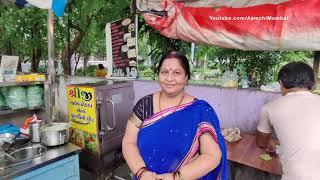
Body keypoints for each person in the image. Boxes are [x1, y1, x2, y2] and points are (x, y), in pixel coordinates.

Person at [122, 51, 228, 180]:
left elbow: (212, 155)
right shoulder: (144, 105)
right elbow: (129, 142)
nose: (169, 78)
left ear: (186, 77)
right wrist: (142, 173)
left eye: (176, 73)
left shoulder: (199, 112)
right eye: (164, 72)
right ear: (158, 75)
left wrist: (176, 177)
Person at [256, 61, 320, 180]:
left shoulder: (270, 107)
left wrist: (269, 141)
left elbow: (261, 143)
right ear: (311, 83)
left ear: (281, 83)